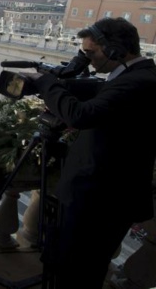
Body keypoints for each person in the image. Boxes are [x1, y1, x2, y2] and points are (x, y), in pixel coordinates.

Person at [28, 17, 156, 288]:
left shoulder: (139, 81)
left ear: (115, 50)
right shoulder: (132, 77)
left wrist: (47, 84)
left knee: (80, 270)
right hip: (98, 195)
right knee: (70, 265)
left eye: (92, 53)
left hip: (102, 199)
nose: (89, 61)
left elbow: (82, 116)